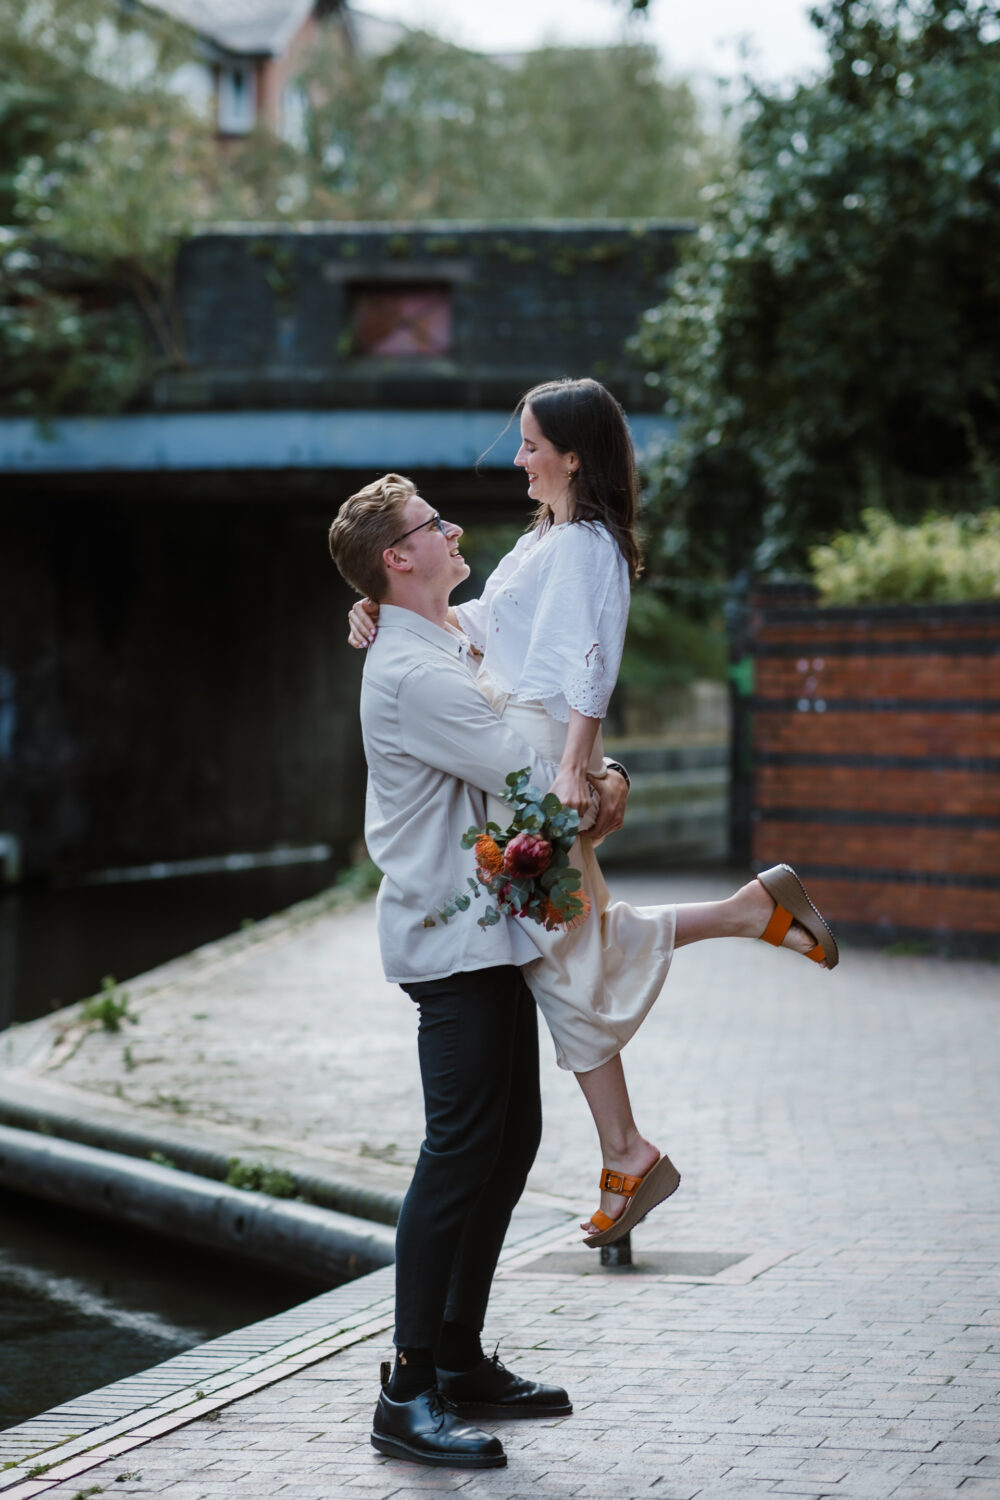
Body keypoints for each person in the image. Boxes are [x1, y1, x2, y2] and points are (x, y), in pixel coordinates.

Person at [347, 380, 839, 1251]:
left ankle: (629, 1148)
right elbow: (482, 627)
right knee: (570, 940)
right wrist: (380, 612)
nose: (518, 457)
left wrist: (580, 762)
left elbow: (588, 656)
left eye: (531, 443)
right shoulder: (549, 539)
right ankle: (737, 933)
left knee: (563, 946)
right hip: (515, 733)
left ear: (573, 456)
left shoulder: (584, 546)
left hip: (531, 746)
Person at [328, 472, 632, 1468]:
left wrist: (373, 610)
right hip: (450, 942)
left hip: (487, 929)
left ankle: (458, 1360)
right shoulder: (414, 672)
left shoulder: (438, 633)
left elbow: (511, 658)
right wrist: (605, 777)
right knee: (460, 1150)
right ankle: (405, 1389)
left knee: (507, 1141)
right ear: (396, 558)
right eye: (432, 525)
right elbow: (526, 771)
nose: (454, 529)